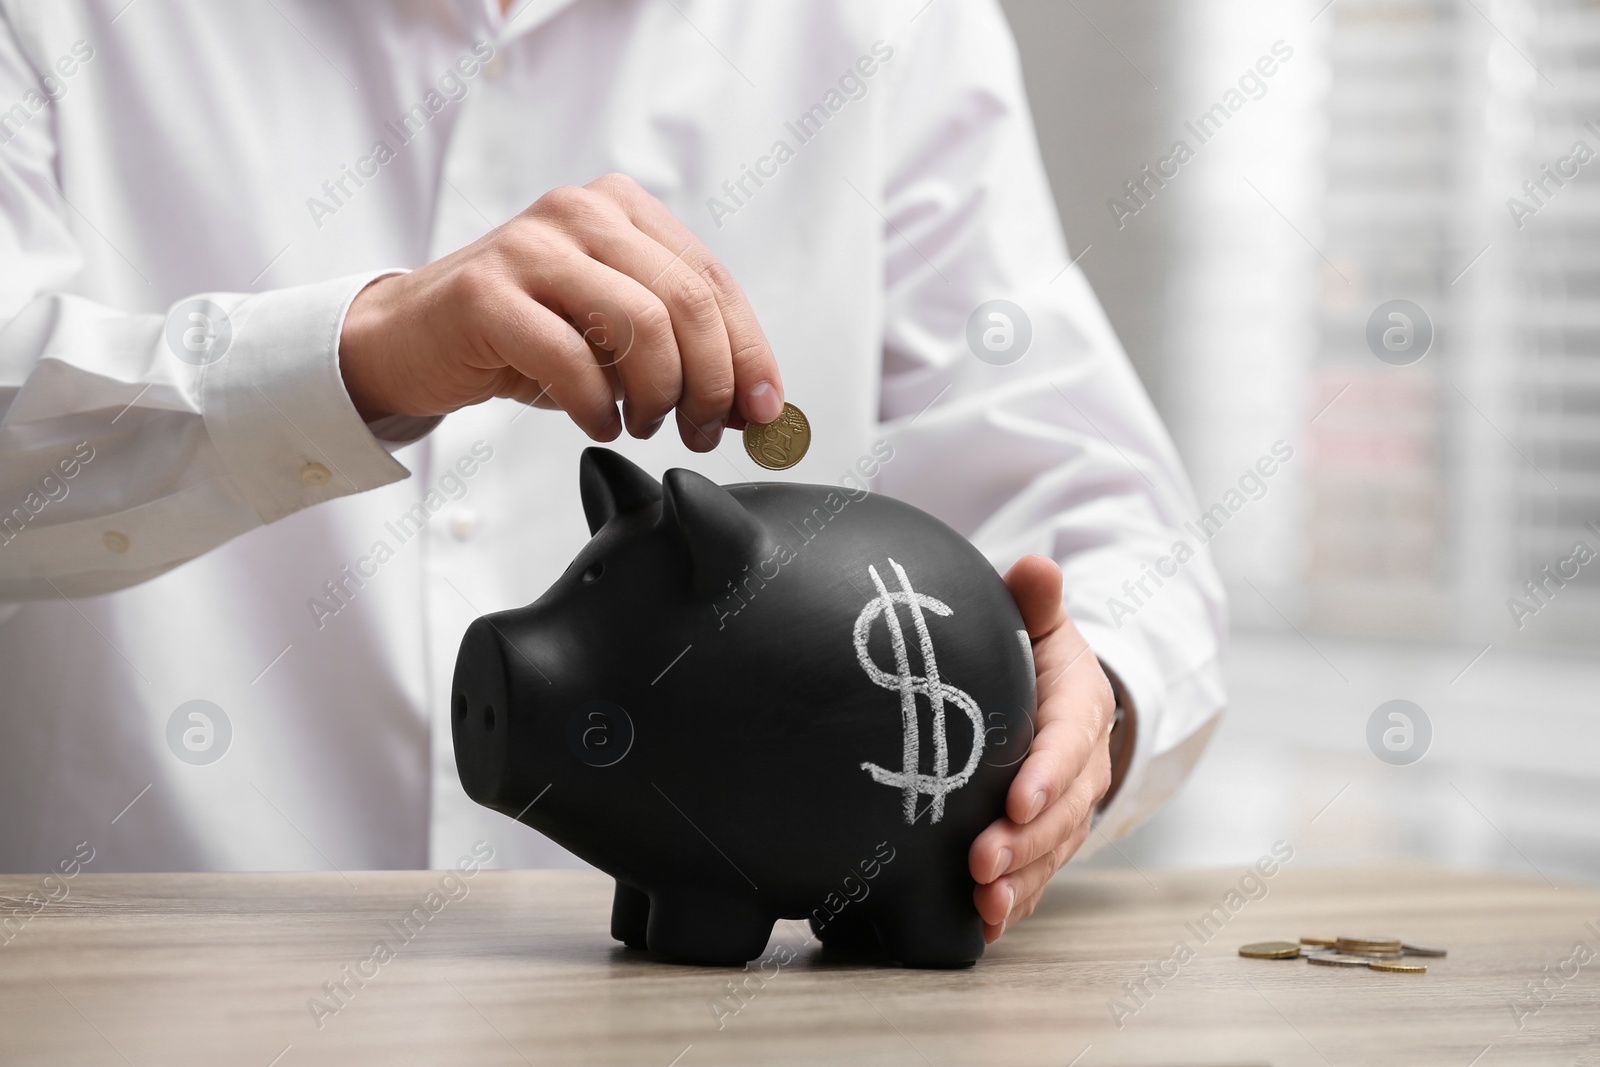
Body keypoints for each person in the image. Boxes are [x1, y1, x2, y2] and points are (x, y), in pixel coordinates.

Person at [0, 0, 1224, 945]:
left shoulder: (880, 25)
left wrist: (1088, 693)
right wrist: (355, 358)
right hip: (128, 1002)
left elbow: (1105, 521)